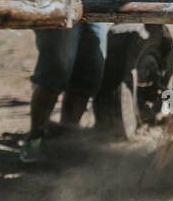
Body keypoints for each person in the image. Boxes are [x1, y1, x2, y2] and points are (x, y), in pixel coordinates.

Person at [20, 23, 108, 163]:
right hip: (60, 2)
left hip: (95, 2)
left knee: (90, 70)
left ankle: (67, 139)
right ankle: (35, 138)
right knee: (56, 69)